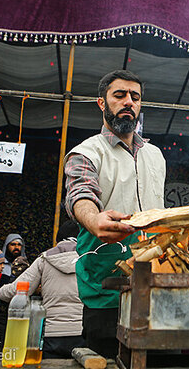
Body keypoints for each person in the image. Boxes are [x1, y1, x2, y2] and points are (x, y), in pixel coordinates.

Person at [64, 70, 165, 358]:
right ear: (101, 103)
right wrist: (94, 219)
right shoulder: (86, 153)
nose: (128, 102)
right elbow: (80, 196)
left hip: (153, 285)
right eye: (119, 95)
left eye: (135, 97)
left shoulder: (156, 155)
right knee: (107, 360)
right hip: (106, 285)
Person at [0, 220, 85, 359]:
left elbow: (17, 289)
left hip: (52, 335)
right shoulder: (90, 259)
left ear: (58, 240)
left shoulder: (44, 259)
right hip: (82, 333)